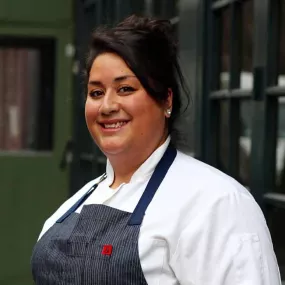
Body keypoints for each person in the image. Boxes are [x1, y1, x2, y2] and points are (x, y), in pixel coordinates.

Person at [31, 15, 281, 285]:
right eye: (96, 92)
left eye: (125, 89)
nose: (106, 106)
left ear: (166, 100)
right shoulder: (76, 204)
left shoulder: (216, 203)